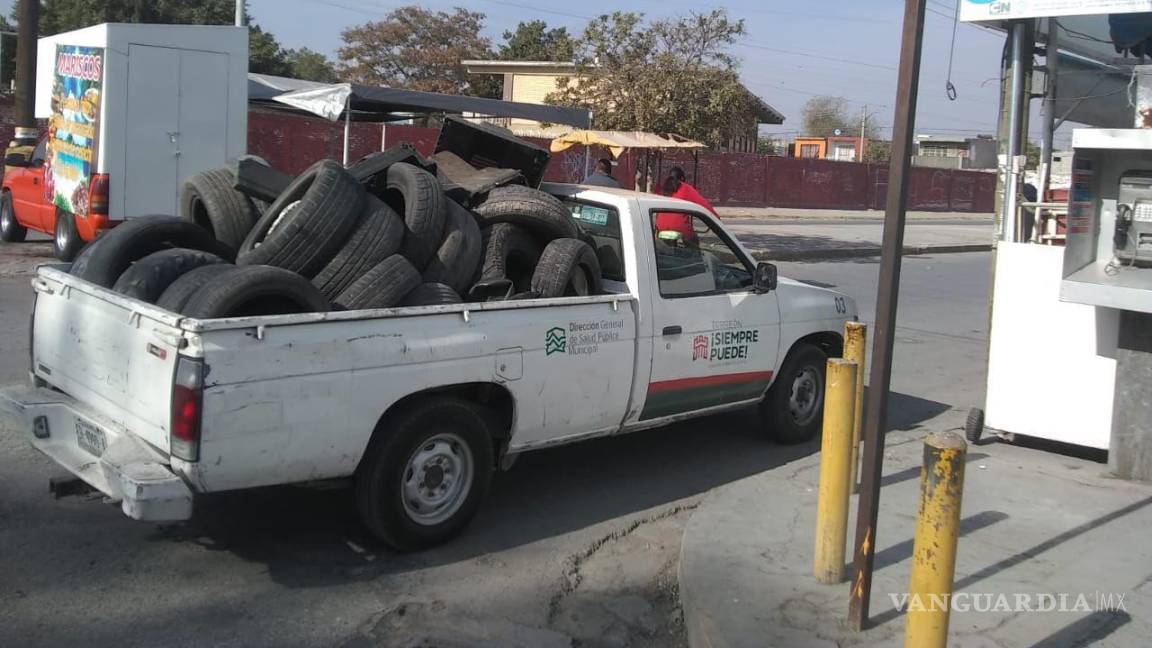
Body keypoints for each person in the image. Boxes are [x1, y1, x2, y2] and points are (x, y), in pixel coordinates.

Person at [653, 167, 717, 242]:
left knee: (666, 247)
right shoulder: (685, 187)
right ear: (682, 178)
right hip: (680, 227)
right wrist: (716, 218)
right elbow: (702, 203)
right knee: (693, 241)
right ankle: (694, 253)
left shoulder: (663, 188)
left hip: (661, 227)